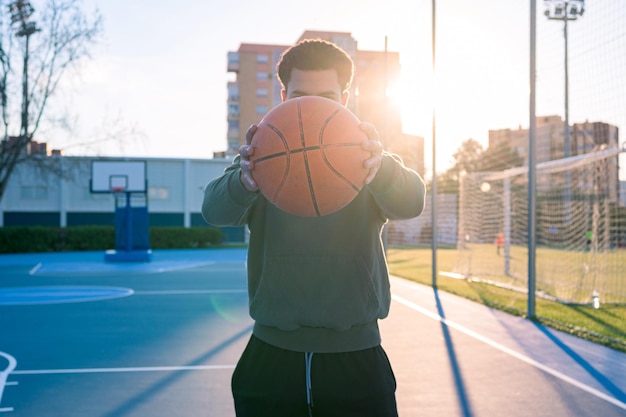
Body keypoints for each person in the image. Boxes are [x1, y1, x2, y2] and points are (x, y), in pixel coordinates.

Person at [202, 39, 426, 417]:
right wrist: (243, 181)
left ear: (346, 97)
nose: (312, 105)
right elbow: (213, 210)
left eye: (327, 96)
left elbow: (412, 201)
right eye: (301, 95)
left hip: (356, 356)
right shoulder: (262, 161)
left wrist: (383, 168)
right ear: (284, 95)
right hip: (271, 355)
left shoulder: (367, 161)